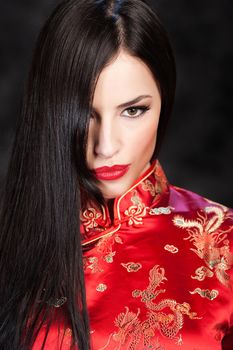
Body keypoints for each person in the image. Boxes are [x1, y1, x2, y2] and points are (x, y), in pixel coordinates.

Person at [0, 0, 232, 349]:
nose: (106, 145)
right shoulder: (11, 248)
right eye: (84, 114)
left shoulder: (224, 243)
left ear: (164, 103)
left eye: (133, 110)